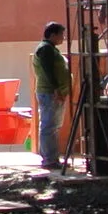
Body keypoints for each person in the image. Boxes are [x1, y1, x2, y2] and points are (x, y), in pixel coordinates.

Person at [32, 21, 71, 171]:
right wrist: (56, 89)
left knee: (53, 126)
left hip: (53, 92)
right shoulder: (45, 49)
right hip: (49, 92)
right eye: (61, 34)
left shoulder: (50, 49)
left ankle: (52, 158)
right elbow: (48, 70)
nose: (63, 37)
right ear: (53, 35)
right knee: (49, 126)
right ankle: (49, 159)